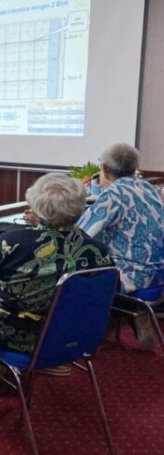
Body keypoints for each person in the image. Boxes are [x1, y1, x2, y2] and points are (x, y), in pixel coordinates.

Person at [0, 173, 112, 382]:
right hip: (75, 335)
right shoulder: (98, 250)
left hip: (15, 336)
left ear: (36, 206)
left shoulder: (12, 242)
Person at [77, 143, 164, 350]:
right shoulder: (148, 188)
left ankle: (83, 339)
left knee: (74, 267)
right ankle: (133, 312)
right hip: (158, 274)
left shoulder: (114, 194)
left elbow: (81, 233)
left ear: (105, 168)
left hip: (129, 276)